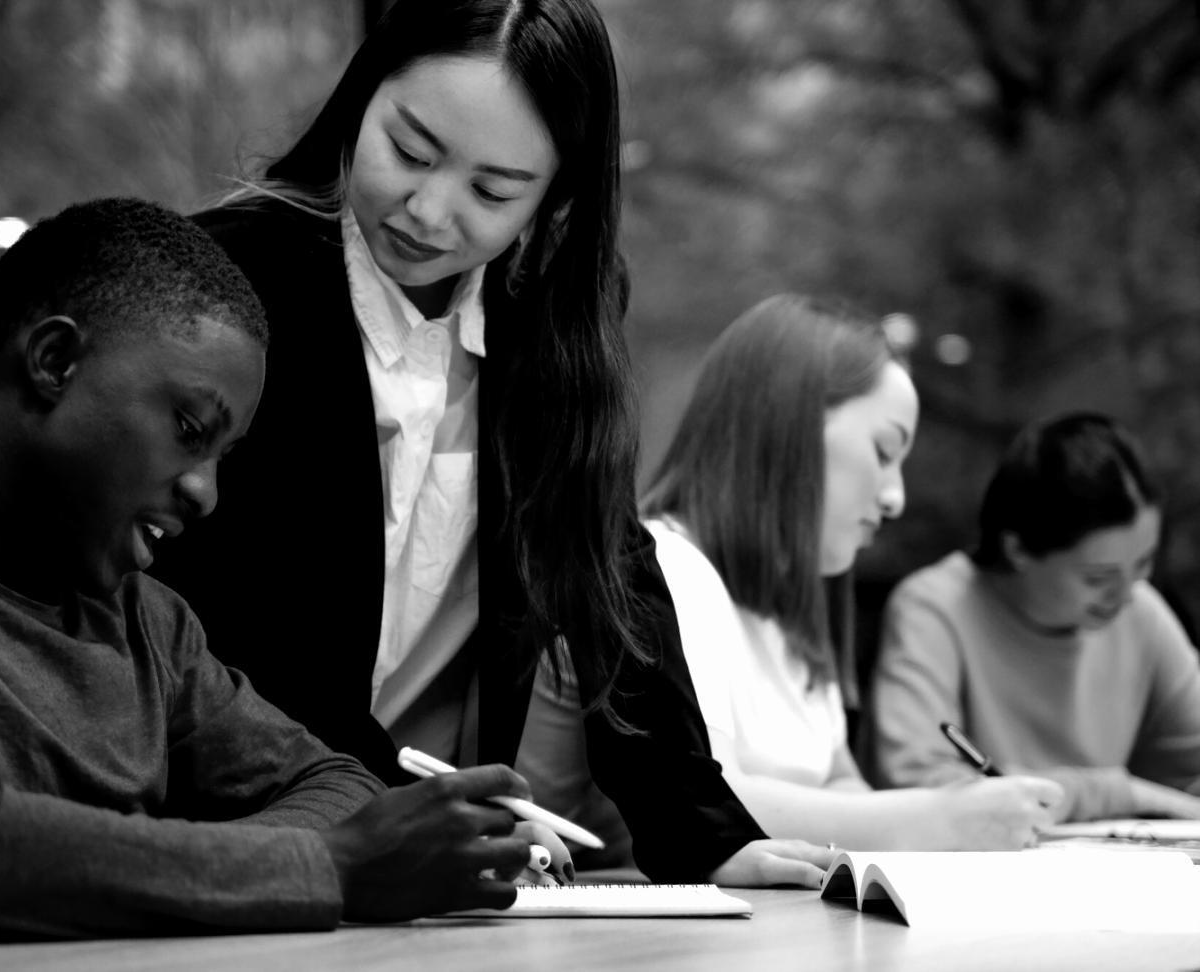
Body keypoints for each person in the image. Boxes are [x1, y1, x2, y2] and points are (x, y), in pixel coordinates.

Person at [0, 198, 550, 957]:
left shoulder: (146, 625)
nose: (204, 493)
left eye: (219, 458)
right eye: (189, 431)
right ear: (53, 361)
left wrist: (286, 862)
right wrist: (323, 869)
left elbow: (332, 779)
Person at [153, 0, 828, 886]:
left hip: (426, 852)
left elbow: (605, 566)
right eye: (410, 149)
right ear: (361, 97)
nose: (429, 212)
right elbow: (209, 612)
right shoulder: (229, 278)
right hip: (218, 819)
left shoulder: (544, 309)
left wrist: (704, 832)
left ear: (556, 198)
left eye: (492, 191)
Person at [636, 294, 1062, 850]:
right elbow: (705, 802)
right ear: (787, 428)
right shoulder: (668, 566)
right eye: (884, 452)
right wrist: (938, 818)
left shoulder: (792, 600)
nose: (895, 499)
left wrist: (956, 816)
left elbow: (839, 781)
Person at [869, 412, 1200, 822]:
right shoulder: (934, 609)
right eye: (1098, 578)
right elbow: (913, 784)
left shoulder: (1142, 612)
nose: (1126, 594)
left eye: (1144, 564)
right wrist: (1116, 794)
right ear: (1018, 549)